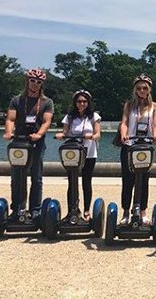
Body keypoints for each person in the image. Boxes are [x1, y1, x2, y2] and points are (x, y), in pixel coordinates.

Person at [2, 68, 54, 220]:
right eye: (33, 81)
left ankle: (35, 209)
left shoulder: (46, 102)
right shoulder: (17, 100)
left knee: (36, 176)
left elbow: (47, 121)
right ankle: (17, 207)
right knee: (16, 176)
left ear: (42, 84)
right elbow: (10, 119)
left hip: (36, 142)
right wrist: (8, 132)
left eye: (39, 82)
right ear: (27, 81)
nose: (35, 84)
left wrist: (39, 134)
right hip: (19, 141)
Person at [118, 74, 156, 225]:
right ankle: (125, 213)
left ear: (149, 90)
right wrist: (124, 134)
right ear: (135, 90)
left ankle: (142, 212)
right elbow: (124, 122)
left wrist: (155, 136)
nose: (142, 91)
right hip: (130, 145)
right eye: (139, 88)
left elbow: (155, 125)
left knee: (144, 180)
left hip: (145, 147)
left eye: (144, 88)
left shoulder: (154, 106)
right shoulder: (129, 105)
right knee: (127, 180)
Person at [55, 90, 101, 221]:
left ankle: (86, 211)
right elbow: (65, 132)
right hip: (73, 153)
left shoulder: (94, 116)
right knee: (72, 182)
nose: (82, 104)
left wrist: (92, 136)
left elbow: (98, 134)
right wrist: (61, 135)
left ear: (88, 103)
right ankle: (72, 210)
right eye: (79, 101)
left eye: (84, 101)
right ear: (75, 103)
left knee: (87, 181)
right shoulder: (69, 117)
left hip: (89, 153)